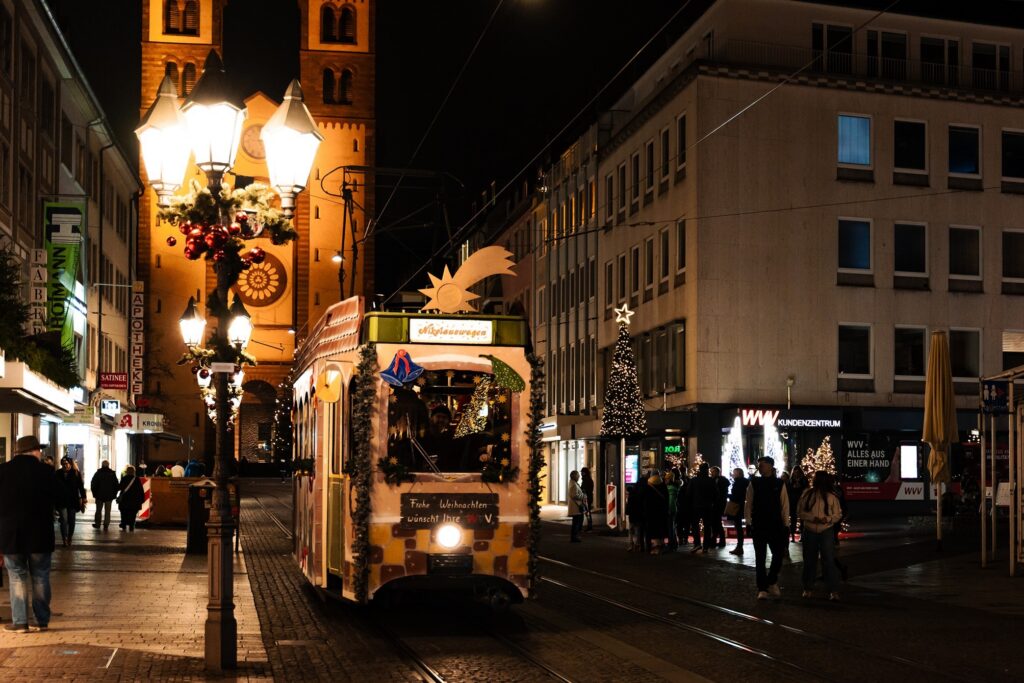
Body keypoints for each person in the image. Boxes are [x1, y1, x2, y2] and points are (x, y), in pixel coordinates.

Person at [0, 436, 58, 632]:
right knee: (40, 576)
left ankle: (20, 622)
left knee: (17, 576)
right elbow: (64, 498)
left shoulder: (3, 471)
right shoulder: (47, 472)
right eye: (39, 450)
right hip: (40, 535)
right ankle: (40, 621)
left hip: (11, 535)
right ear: (34, 451)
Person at [744, 456, 790, 600]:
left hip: (775, 524)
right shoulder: (754, 483)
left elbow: (784, 505)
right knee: (760, 557)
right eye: (759, 465)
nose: (760, 468)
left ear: (770, 466)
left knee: (777, 554)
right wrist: (749, 522)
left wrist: (786, 524)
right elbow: (748, 503)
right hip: (760, 523)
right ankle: (763, 587)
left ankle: (771, 580)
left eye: (762, 465)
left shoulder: (779, 483)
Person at [798, 472, 843, 600]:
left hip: (821, 529)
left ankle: (818, 588)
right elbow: (800, 512)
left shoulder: (828, 496)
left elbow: (837, 514)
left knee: (821, 560)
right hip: (817, 529)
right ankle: (822, 589)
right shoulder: (809, 494)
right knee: (820, 560)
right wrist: (821, 519)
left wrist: (826, 519)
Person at [56, 457, 86, 547]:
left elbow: (81, 486)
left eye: (67, 463)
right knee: (64, 520)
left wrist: (84, 497)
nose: (65, 465)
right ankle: (64, 538)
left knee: (71, 520)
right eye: (63, 464)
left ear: (70, 464)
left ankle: (70, 537)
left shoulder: (76, 473)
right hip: (61, 500)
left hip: (72, 501)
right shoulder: (57, 473)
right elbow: (54, 486)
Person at [690, 462, 717, 554]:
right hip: (708, 506)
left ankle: (697, 543)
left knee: (695, 525)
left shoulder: (694, 480)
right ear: (707, 469)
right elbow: (716, 494)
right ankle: (706, 546)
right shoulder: (711, 480)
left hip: (696, 506)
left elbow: (688, 493)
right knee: (707, 526)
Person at [643, 472, 669, 554]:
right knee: (660, 528)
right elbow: (666, 499)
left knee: (651, 529)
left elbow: (645, 500)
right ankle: (660, 546)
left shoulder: (648, 486)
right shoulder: (663, 485)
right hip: (661, 511)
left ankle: (652, 547)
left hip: (651, 512)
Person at [91, 460, 120, 530]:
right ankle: (106, 524)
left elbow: (93, 484)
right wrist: (114, 494)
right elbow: (116, 485)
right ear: (108, 465)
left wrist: (94, 494)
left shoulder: (98, 473)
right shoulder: (112, 474)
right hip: (109, 496)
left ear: (102, 465)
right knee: (107, 511)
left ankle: (97, 524)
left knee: (98, 510)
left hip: (99, 496)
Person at [727, 467, 750, 555]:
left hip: (737, 506)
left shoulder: (738, 482)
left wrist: (728, 496)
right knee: (738, 527)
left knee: (738, 527)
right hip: (742, 505)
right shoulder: (744, 481)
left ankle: (739, 547)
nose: (732, 474)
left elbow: (737, 495)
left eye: (734, 472)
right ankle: (739, 547)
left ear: (738, 473)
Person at [117, 466, 145, 532]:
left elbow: (120, 487)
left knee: (124, 513)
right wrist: (142, 499)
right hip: (134, 500)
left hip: (125, 499)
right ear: (134, 472)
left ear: (127, 471)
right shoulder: (137, 479)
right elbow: (140, 490)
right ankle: (131, 526)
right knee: (132, 513)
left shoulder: (124, 478)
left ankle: (123, 524)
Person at [710, 466, 730, 548]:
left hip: (719, 505)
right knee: (715, 523)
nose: (712, 473)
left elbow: (721, 493)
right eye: (711, 471)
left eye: (714, 471)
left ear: (718, 472)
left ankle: (719, 540)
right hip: (714, 504)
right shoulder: (713, 480)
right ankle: (716, 540)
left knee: (716, 522)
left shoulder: (722, 480)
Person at [788, 466, 808, 542]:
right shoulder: (791, 480)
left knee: (802, 519)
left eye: (798, 472)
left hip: (801, 500)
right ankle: (792, 536)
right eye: (795, 471)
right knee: (793, 519)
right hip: (793, 502)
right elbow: (789, 490)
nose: (796, 473)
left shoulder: (803, 480)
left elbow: (806, 489)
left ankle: (802, 536)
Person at [567, 470, 586, 543]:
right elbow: (574, 495)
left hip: (576, 506)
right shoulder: (573, 485)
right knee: (576, 523)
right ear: (574, 476)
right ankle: (574, 537)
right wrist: (583, 496)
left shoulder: (573, 483)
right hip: (576, 506)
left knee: (576, 522)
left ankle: (575, 536)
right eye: (578, 475)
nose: (579, 477)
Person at [625, 482, 644, 551]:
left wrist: (627, 512)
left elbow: (628, 507)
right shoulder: (640, 496)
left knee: (630, 531)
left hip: (632, 517)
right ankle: (637, 544)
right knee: (637, 531)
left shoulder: (631, 497)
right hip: (638, 516)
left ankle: (631, 545)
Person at [665, 470, 680, 551]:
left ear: (670, 479)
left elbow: (671, 501)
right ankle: (674, 543)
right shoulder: (674, 487)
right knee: (673, 527)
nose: (665, 481)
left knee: (670, 527)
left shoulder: (670, 489)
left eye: (666, 479)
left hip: (671, 509)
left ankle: (671, 544)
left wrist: (669, 509)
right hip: (674, 509)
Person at [580, 467, 595, 532]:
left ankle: (590, 526)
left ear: (585, 473)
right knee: (587, 512)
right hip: (588, 497)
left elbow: (584, 489)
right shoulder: (589, 479)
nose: (581, 473)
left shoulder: (586, 480)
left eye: (582, 472)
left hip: (586, 498)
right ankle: (589, 525)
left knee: (587, 512)